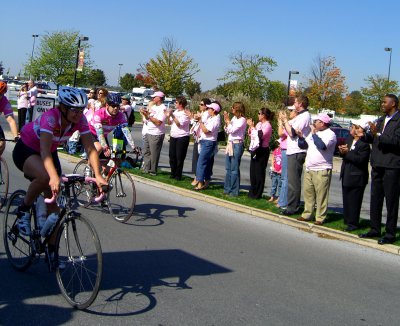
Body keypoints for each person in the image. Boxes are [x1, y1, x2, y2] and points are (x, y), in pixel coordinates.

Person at [12, 86, 108, 237]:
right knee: (45, 177)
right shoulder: (50, 117)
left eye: (81, 109)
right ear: (63, 108)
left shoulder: (80, 120)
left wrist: (98, 175)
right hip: (27, 149)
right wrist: (54, 176)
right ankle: (23, 210)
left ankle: (52, 254)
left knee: (56, 210)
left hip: (49, 153)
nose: (78, 114)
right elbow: (44, 150)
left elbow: (90, 148)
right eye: (74, 110)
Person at [359, 94, 400, 244]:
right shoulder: (381, 119)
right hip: (377, 164)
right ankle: (374, 229)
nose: (382, 104)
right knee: (375, 199)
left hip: (391, 166)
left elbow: (396, 141)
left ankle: (390, 233)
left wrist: (377, 133)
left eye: (385, 102)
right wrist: (364, 135)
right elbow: (374, 138)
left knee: (391, 201)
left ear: (393, 103)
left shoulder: (398, 120)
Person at [295, 113, 336, 225]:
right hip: (309, 168)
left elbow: (322, 146)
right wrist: (300, 137)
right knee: (308, 193)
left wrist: (313, 134)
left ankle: (320, 217)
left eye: (316, 121)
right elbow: (304, 146)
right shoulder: (314, 134)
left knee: (321, 194)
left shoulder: (330, 134)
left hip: (322, 169)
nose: (314, 123)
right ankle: (307, 214)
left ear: (322, 123)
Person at [279, 95, 312, 215]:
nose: (294, 104)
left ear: (301, 104)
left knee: (293, 181)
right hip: (291, 150)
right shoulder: (299, 116)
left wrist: (286, 121)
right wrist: (284, 121)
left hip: (297, 151)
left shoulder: (305, 116)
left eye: (296, 102)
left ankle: (292, 207)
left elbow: (292, 132)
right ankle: (290, 204)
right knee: (291, 180)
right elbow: (285, 129)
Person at [338, 118, 371, 231]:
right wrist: (342, 152)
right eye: (353, 127)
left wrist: (347, 153)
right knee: (346, 199)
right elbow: (345, 154)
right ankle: (347, 220)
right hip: (346, 173)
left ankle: (353, 223)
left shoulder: (364, 145)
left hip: (357, 176)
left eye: (356, 127)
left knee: (354, 201)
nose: (353, 129)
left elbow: (360, 160)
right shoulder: (349, 139)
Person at [88, 93, 135, 159]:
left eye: (117, 106)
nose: (116, 108)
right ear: (107, 105)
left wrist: (133, 146)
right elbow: (99, 133)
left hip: (103, 136)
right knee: (99, 148)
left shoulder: (120, 115)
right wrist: (105, 147)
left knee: (108, 159)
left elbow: (126, 131)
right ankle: (89, 166)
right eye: (113, 106)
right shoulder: (99, 114)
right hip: (91, 133)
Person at [246, 108, 273, 199]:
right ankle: (252, 192)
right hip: (255, 149)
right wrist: (251, 128)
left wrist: (252, 127)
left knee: (259, 172)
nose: (258, 115)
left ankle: (257, 193)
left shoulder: (267, 125)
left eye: (259, 113)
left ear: (263, 115)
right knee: (252, 172)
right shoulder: (259, 124)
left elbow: (260, 135)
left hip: (262, 150)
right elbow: (252, 134)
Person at [194, 102, 221, 190]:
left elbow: (206, 130)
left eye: (210, 108)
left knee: (201, 162)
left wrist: (200, 122)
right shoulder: (211, 118)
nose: (208, 110)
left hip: (208, 142)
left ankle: (200, 182)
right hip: (205, 141)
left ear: (214, 110)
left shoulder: (215, 119)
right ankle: (205, 181)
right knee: (205, 162)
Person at [140, 91, 167, 176]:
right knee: (146, 151)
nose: (153, 98)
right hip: (149, 131)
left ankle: (153, 170)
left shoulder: (163, 108)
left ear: (159, 98)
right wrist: (145, 114)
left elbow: (158, 122)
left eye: (154, 97)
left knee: (154, 153)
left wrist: (148, 116)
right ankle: (146, 168)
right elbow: (148, 118)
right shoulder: (154, 107)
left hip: (156, 133)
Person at [223, 101, 247, 196]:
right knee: (228, 168)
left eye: (233, 108)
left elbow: (232, 130)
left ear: (238, 109)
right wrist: (227, 122)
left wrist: (228, 122)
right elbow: (228, 130)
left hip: (237, 144)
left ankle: (234, 191)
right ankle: (227, 188)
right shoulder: (233, 118)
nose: (232, 109)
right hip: (230, 143)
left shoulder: (242, 120)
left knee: (234, 168)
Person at [276, 106, 296, 209]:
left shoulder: (290, 123)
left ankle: (283, 201)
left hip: (287, 150)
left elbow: (280, 134)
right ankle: (282, 199)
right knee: (284, 177)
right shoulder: (288, 124)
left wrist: (281, 122)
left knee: (285, 177)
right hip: (284, 150)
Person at [166, 96, 191, 180]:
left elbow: (179, 124)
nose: (174, 104)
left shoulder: (185, 113)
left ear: (181, 104)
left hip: (182, 137)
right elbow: (169, 123)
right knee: (172, 156)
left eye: (176, 102)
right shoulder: (175, 111)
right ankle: (173, 172)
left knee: (179, 157)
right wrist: (168, 116)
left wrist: (172, 115)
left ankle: (178, 175)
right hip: (173, 136)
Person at [190, 98, 212, 186]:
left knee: (201, 160)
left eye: (202, 104)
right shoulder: (202, 113)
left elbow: (203, 124)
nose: (200, 105)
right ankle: (198, 177)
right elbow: (196, 124)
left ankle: (200, 179)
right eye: (200, 104)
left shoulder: (206, 114)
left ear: (206, 106)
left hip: (204, 139)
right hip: (198, 138)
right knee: (196, 159)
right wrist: (193, 118)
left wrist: (197, 118)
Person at [0, 81, 19, 155]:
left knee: (1, 145)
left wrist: (15, 136)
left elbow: (11, 120)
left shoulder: (4, 102)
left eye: (1, 94)